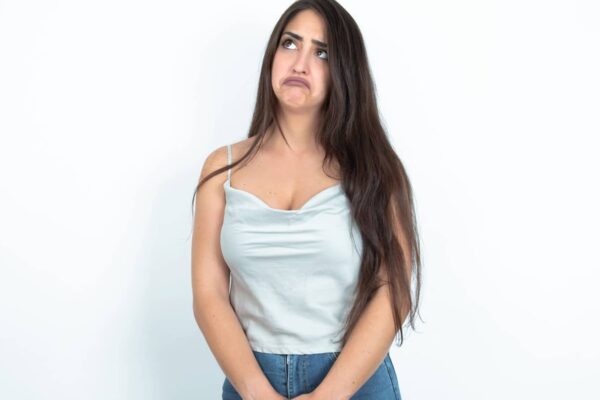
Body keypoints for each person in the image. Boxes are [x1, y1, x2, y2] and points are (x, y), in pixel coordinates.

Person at [191, 0, 422, 399]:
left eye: (322, 52)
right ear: (272, 57)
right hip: (251, 378)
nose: (300, 63)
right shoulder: (222, 169)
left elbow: (394, 290)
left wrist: (328, 395)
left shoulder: (375, 170)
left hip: (354, 380)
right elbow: (208, 290)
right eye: (290, 44)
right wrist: (255, 390)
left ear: (344, 72)